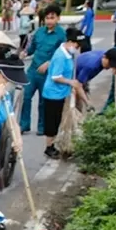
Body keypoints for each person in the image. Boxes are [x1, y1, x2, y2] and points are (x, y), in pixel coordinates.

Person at [19, 4, 65, 135]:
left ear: (58, 19)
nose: (49, 21)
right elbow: (32, 48)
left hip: (48, 73)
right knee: (26, 97)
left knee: (43, 101)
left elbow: (62, 54)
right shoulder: (39, 32)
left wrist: (49, 63)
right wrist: (25, 53)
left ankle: (42, 126)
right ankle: (24, 124)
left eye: (52, 18)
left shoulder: (61, 35)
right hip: (33, 70)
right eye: (47, 18)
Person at [42, 28, 83, 159]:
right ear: (70, 42)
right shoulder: (60, 56)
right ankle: (49, 147)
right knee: (52, 121)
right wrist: (71, 82)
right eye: (76, 45)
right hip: (52, 94)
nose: (77, 48)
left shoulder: (68, 54)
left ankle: (53, 144)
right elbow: (55, 76)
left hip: (61, 93)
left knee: (58, 119)